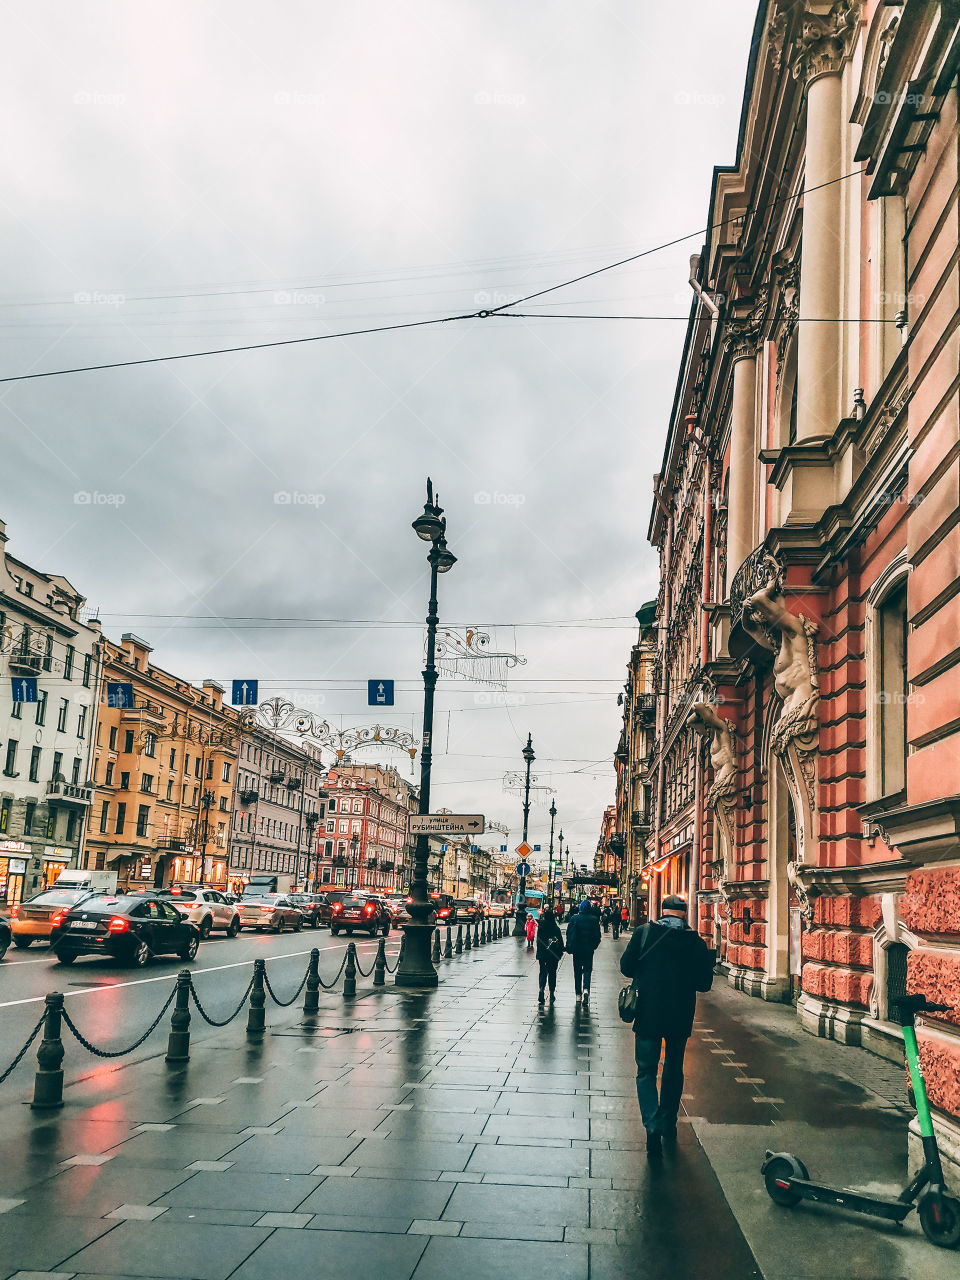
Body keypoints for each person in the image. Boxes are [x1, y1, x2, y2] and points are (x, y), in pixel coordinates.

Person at [619, 894, 715, 1159]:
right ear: (685, 914)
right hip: (680, 1016)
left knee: (646, 1071)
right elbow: (704, 984)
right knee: (673, 1069)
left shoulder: (644, 933)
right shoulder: (695, 942)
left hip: (648, 1012)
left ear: (662, 912)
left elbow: (626, 967)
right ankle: (668, 1123)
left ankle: (651, 1124)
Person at [565, 899, 602, 1001]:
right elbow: (597, 936)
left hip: (577, 949)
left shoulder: (574, 919)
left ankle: (578, 994)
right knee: (587, 970)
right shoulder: (594, 920)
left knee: (577, 971)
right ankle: (586, 989)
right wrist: (594, 946)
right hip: (588, 949)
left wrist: (569, 946)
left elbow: (569, 933)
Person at [535, 905, 564, 1004]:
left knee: (543, 972)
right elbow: (560, 942)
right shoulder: (556, 928)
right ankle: (551, 994)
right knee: (552, 974)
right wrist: (561, 952)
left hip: (543, 954)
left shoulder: (541, 927)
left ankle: (541, 990)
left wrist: (539, 952)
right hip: (553, 955)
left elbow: (538, 941)